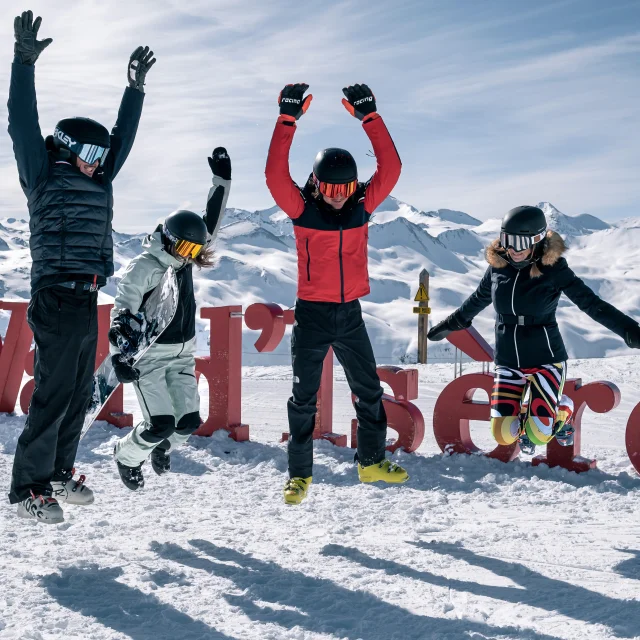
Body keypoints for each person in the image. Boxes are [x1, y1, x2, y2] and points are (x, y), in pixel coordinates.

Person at [8, 10, 155, 523]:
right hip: (54, 294)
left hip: (87, 294)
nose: (102, 158)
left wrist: (133, 90)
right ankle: (27, 488)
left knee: (78, 393)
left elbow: (124, 137)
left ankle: (56, 474)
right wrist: (23, 63)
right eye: (92, 151)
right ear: (68, 150)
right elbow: (20, 121)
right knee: (53, 392)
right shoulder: (43, 175)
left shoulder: (100, 179)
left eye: (102, 152)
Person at [265, 82, 408, 505]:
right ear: (314, 183)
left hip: (350, 314)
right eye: (329, 189)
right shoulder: (301, 209)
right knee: (304, 399)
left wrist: (371, 118)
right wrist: (286, 120)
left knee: (369, 390)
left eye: (345, 189)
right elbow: (274, 173)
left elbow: (392, 167)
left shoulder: (363, 206)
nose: (337, 196)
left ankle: (370, 461)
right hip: (311, 315)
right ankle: (299, 475)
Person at [428, 205, 640, 454]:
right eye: (508, 241)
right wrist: (453, 323)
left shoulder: (554, 269)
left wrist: (630, 331)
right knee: (503, 434)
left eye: (521, 242)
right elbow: (478, 299)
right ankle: (538, 414)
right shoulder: (498, 266)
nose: (513, 250)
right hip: (508, 361)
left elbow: (591, 303)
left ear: (538, 240)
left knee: (538, 435)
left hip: (545, 358)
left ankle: (562, 409)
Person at [110, 148, 231, 490]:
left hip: (182, 355)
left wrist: (222, 181)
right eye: (184, 249)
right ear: (167, 239)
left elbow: (211, 222)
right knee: (159, 422)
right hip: (150, 358)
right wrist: (120, 354)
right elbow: (124, 309)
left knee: (188, 421)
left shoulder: (183, 257)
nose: (188, 257)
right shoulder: (145, 267)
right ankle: (127, 456)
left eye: (194, 252)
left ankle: (162, 448)